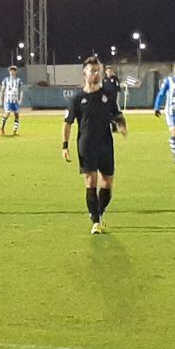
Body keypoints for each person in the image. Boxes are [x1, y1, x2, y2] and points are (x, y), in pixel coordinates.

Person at [62, 57, 127, 234]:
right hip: (86, 145)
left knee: (107, 184)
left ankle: (97, 212)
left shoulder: (108, 95)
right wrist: (65, 145)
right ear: (85, 73)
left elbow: (117, 114)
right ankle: (96, 222)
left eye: (98, 70)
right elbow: (67, 123)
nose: (97, 73)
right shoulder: (77, 98)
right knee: (91, 182)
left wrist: (122, 125)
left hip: (106, 144)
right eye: (93, 70)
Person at [0, 65, 23, 135]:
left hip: (15, 100)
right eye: (10, 71)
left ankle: (15, 130)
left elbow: (21, 90)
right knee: (7, 113)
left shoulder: (18, 80)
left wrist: (20, 99)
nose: (11, 72)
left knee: (17, 115)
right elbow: (2, 90)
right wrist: (0, 99)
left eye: (13, 71)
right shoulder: (6, 80)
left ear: (15, 72)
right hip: (8, 100)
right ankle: (2, 128)